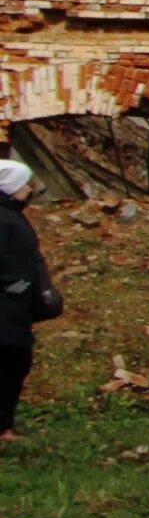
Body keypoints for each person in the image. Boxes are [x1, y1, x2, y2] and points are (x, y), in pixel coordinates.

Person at [0, 157, 52, 443]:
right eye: (25, 184)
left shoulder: (12, 214)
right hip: (5, 308)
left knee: (14, 365)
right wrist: (15, 285)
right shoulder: (3, 217)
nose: (30, 190)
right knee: (9, 365)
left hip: (14, 309)